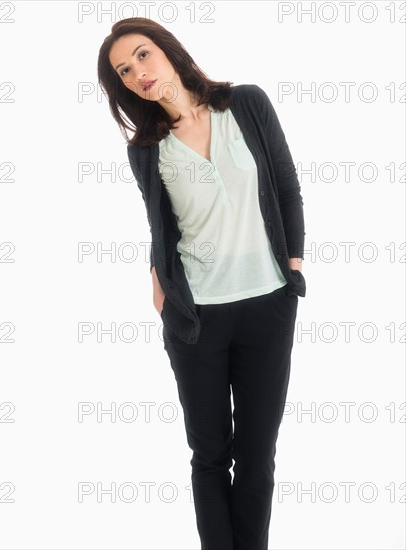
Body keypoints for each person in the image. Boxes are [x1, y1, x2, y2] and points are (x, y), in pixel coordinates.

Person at [98, 17, 306, 550]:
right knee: (210, 457)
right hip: (197, 318)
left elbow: (286, 187)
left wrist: (295, 269)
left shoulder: (247, 105)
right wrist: (160, 286)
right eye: (124, 71)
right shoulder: (147, 148)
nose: (136, 73)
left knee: (257, 457)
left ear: (168, 50)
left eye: (142, 56)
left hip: (267, 304)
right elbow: (160, 226)